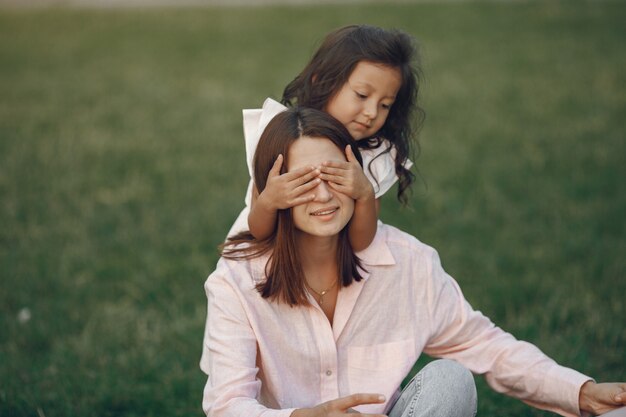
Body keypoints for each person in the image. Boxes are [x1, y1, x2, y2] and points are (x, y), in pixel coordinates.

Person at [201, 107, 626, 417]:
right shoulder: (236, 281)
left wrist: (581, 392)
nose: (325, 196)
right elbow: (227, 405)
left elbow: (488, 346)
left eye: (335, 176)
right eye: (303, 183)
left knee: (450, 381)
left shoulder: (407, 264)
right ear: (271, 192)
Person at [227, 25, 423, 252]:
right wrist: (269, 202)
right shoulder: (282, 137)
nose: (372, 112)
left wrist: (365, 193)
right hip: (273, 260)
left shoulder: (371, 157)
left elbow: (360, 243)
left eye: (385, 104)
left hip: (329, 266)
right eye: (361, 95)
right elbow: (259, 232)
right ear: (322, 81)